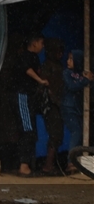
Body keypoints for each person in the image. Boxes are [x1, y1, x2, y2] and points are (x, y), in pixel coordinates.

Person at [14, 34, 49, 177]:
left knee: (32, 130)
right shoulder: (26, 56)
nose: (43, 46)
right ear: (34, 43)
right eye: (41, 43)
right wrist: (40, 80)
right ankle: (23, 165)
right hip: (23, 96)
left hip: (31, 98)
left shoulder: (35, 58)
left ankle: (28, 164)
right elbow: (27, 69)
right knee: (27, 130)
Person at [40, 39, 65, 173]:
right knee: (55, 134)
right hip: (51, 105)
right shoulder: (48, 66)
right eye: (58, 51)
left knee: (57, 134)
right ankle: (48, 165)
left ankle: (50, 164)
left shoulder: (57, 66)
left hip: (57, 104)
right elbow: (46, 87)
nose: (60, 54)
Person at [62, 50, 93, 156]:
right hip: (68, 108)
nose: (68, 61)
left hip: (78, 109)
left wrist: (88, 79)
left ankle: (77, 158)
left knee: (81, 133)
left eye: (71, 59)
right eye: (68, 58)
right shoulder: (67, 73)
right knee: (76, 131)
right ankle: (71, 160)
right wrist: (85, 80)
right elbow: (72, 86)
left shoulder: (81, 74)